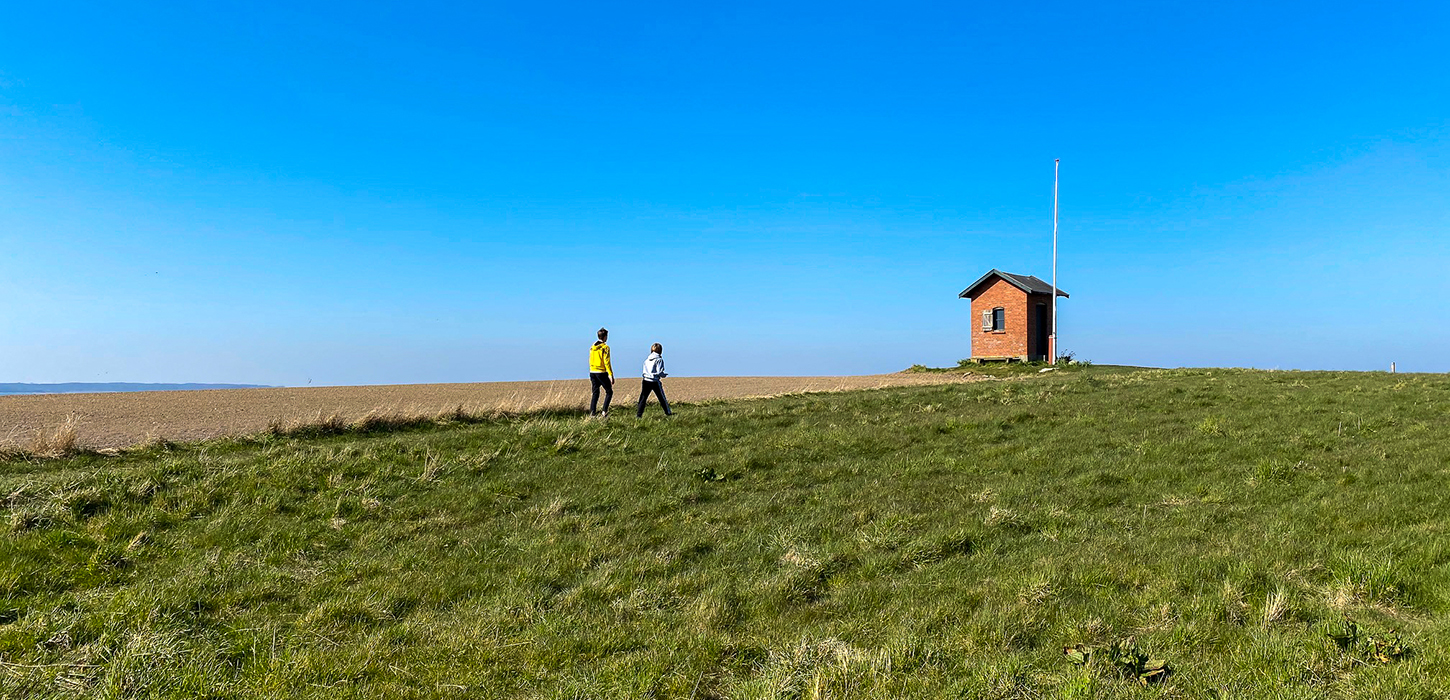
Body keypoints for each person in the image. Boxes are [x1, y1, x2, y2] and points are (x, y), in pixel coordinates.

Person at [637, 342, 673, 417]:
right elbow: (659, 371)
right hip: (654, 381)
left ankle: (639, 415)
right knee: (661, 397)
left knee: (643, 398)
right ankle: (668, 413)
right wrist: (663, 375)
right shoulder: (659, 360)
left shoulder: (647, 360)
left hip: (646, 380)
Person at [588, 328, 613, 417]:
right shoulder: (605, 347)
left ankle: (592, 413)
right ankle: (604, 411)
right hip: (601, 372)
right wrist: (610, 374)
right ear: (605, 337)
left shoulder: (592, 347)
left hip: (592, 371)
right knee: (609, 392)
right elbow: (607, 362)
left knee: (595, 392)